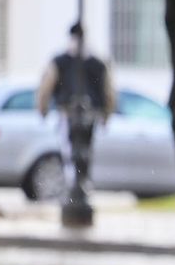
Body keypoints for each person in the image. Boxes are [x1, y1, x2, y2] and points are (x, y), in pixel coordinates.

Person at [37, 23, 116, 178]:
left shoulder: (61, 61)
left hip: (69, 111)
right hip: (89, 112)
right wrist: (106, 114)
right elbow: (109, 92)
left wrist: (43, 109)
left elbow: (45, 88)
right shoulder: (98, 63)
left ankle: (74, 181)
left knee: (69, 150)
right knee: (84, 149)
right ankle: (81, 180)